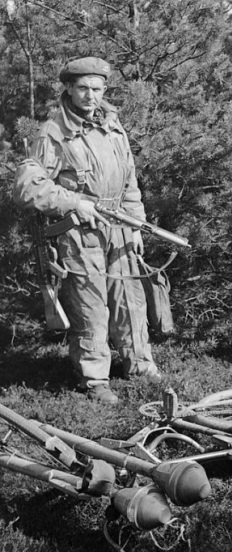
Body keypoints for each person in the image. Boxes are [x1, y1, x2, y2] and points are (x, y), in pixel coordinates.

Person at [13, 56, 162, 404]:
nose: (90, 96)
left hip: (121, 226)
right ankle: (95, 378)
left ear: (104, 89)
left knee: (129, 300)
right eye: (82, 88)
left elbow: (129, 180)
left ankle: (140, 364)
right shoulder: (54, 132)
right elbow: (27, 185)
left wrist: (136, 223)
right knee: (90, 304)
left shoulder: (113, 125)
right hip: (81, 234)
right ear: (68, 88)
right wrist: (74, 203)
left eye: (96, 88)